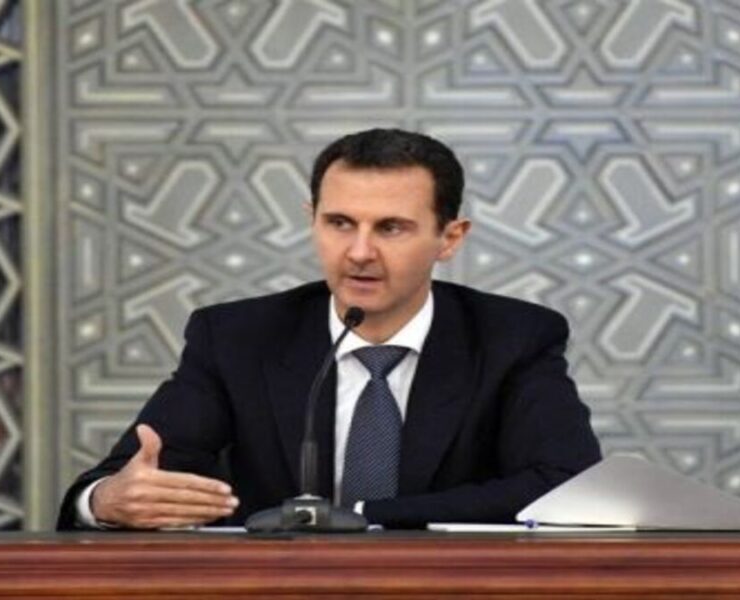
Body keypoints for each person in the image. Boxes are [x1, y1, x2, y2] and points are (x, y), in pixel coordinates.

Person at [56, 128, 601, 530]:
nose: (359, 252)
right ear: (311, 218)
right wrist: (105, 501)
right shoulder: (238, 337)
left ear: (449, 238)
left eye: (390, 228)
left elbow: (565, 484)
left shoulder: (514, 337)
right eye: (339, 223)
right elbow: (126, 479)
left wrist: (359, 517)